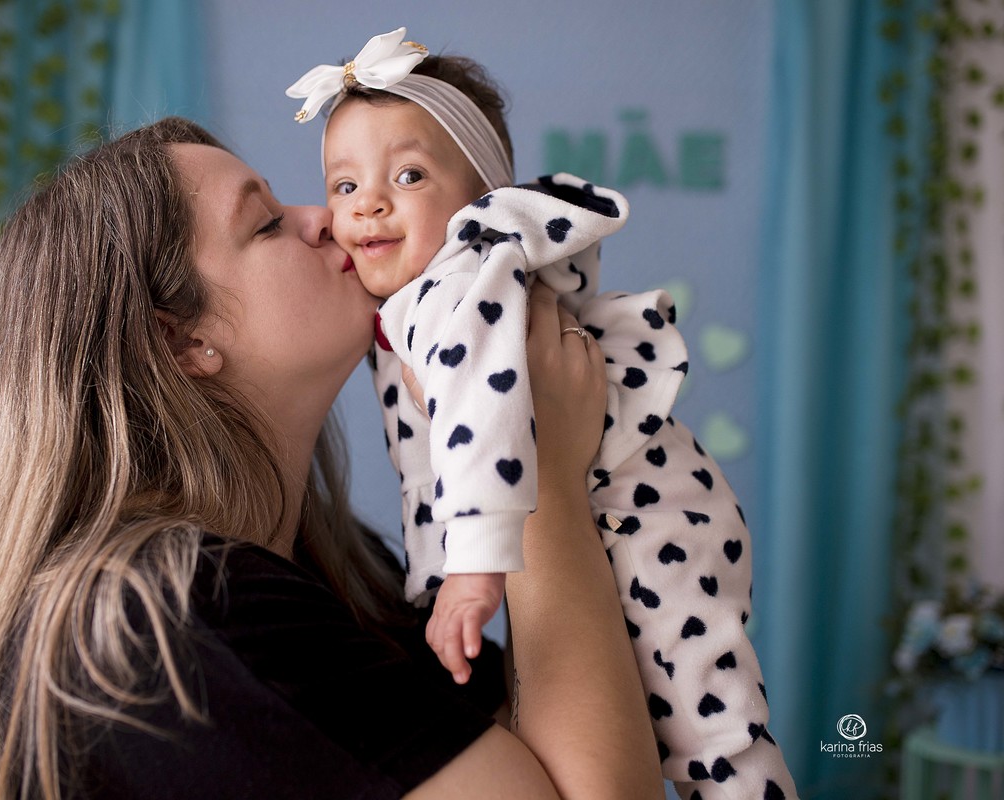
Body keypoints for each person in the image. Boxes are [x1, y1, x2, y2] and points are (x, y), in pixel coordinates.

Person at [0, 116, 666, 798]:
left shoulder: (342, 575)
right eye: (265, 224)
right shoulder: (176, 618)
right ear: (183, 341)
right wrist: (530, 472)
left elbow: (550, 757)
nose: (326, 218)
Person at [286, 28, 798, 800]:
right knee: (662, 721)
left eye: (411, 174)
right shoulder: (406, 308)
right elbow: (430, 452)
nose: (370, 206)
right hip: (605, 514)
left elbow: (486, 413)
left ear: (480, 201)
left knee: (710, 731)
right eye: (345, 185)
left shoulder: (461, 287)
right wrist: (437, 562)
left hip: (646, 506)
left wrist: (469, 568)